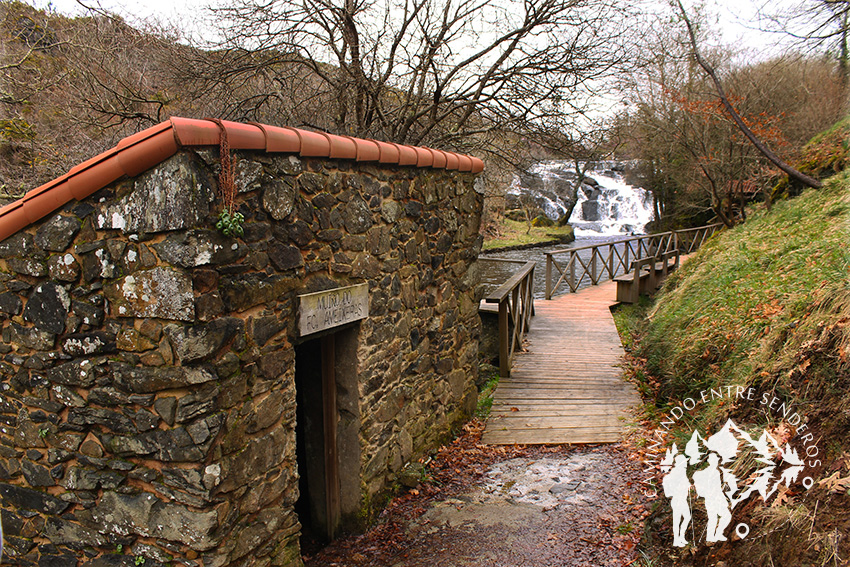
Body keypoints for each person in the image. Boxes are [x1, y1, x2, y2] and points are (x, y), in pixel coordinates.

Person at [693, 452, 732, 542]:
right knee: (715, 518)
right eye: (713, 460)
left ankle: (716, 535)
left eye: (716, 460)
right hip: (711, 498)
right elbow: (713, 488)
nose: (715, 462)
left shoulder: (716, 472)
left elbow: (717, 488)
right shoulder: (708, 473)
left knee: (723, 516)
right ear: (710, 461)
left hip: (716, 498)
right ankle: (711, 537)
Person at [663, 453, 692, 547]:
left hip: (683, 499)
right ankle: (676, 540)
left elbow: (686, 484)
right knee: (677, 520)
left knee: (687, 517)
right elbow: (671, 488)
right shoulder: (675, 474)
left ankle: (681, 537)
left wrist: (690, 487)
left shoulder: (682, 473)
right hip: (677, 499)